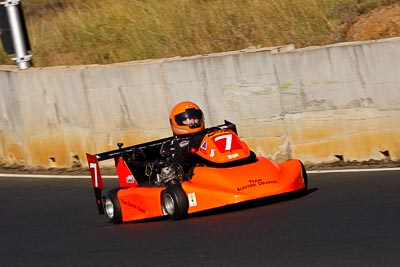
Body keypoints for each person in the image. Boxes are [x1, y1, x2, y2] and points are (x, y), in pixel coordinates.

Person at [160, 101, 206, 179]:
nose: (192, 121)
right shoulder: (170, 145)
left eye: (195, 118)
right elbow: (181, 159)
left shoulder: (207, 135)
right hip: (192, 179)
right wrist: (194, 144)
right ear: (177, 122)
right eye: (188, 119)